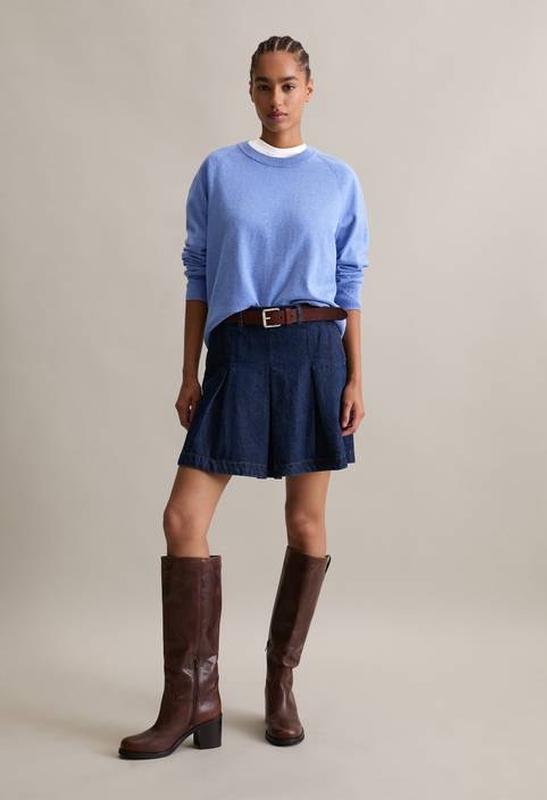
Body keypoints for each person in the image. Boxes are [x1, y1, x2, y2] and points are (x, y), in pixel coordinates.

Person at [118, 34, 370, 759]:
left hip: (315, 353)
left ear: (309, 89)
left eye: (288, 84)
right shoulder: (220, 172)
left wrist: (357, 375)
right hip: (238, 351)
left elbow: (349, 283)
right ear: (250, 90)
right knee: (182, 518)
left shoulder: (338, 179)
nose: (276, 98)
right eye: (263, 85)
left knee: (306, 524)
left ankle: (279, 683)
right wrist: (189, 370)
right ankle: (193, 696)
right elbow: (198, 272)